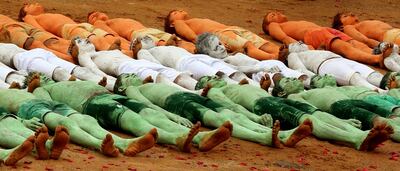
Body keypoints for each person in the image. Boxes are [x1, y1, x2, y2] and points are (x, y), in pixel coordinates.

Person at [29, 73, 231, 152]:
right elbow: (47, 104)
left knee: (153, 115)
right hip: (92, 103)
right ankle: (174, 138)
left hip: (109, 96)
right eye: (35, 77)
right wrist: (36, 86)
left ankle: (200, 138)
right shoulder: (42, 89)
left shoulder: (70, 80)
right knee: (132, 118)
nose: (42, 77)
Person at [116, 73, 307, 148]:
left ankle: (279, 134)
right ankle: (262, 137)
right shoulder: (134, 90)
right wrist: (172, 116)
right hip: (176, 102)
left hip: (190, 96)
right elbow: (149, 106)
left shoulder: (149, 84)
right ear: (123, 88)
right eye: (127, 77)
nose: (133, 76)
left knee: (232, 114)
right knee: (217, 118)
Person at [0, 84, 157, 157]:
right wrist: (22, 120)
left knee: (86, 120)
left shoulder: (30, 88)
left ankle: (122, 142)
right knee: (65, 124)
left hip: (50, 103)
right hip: (27, 107)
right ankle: (99, 145)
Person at [271, 76, 398, 143]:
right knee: (380, 121)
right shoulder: (296, 96)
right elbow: (313, 110)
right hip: (340, 106)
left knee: (392, 116)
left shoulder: (318, 89)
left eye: (292, 78)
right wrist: (341, 121)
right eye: (288, 81)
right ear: (282, 93)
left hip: (354, 101)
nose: (293, 79)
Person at [262, 11, 397, 68]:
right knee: (344, 46)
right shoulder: (274, 26)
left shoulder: (289, 23)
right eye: (272, 15)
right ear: (268, 25)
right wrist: (304, 49)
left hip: (323, 30)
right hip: (314, 34)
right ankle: (376, 59)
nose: (277, 13)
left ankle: (374, 53)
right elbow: (285, 38)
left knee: (354, 42)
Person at [72, 37, 198, 90]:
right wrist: (110, 81)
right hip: (127, 68)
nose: (86, 39)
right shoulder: (86, 55)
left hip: (138, 63)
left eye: (84, 38)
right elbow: (92, 69)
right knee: (160, 79)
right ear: (75, 50)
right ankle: (192, 94)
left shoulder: (107, 52)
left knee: (179, 76)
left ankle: (198, 88)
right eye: (80, 41)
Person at [134, 35, 258, 86]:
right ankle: (240, 87)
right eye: (139, 41)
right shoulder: (144, 52)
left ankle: (261, 88)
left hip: (195, 58)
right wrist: (176, 73)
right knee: (221, 76)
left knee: (235, 73)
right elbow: (155, 66)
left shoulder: (162, 48)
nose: (144, 38)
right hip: (184, 63)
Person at [195, 32, 307, 86]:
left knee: (300, 76)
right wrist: (261, 68)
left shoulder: (232, 55)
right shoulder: (222, 62)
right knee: (286, 81)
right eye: (215, 48)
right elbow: (239, 69)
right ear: (208, 55)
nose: (221, 48)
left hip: (269, 65)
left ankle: (310, 81)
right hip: (261, 72)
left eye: (220, 43)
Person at [165, 10, 280, 60]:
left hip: (231, 29)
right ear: (172, 24)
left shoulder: (192, 20)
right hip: (220, 34)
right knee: (249, 45)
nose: (179, 11)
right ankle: (272, 58)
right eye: (175, 13)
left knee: (264, 44)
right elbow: (191, 36)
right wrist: (214, 42)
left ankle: (279, 53)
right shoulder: (179, 24)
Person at [18, 3, 131, 54]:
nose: (34, 3)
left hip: (81, 26)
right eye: (28, 6)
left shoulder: (48, 15)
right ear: (24, 15)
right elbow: (41, 32)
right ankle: (123, 53)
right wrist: (62, 41)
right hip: (68, 29)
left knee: (108, 37)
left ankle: (130, 49)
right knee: (97, 40)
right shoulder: (29, 17)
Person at [0, 43, 116, 90]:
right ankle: (87, 88)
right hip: (23, 60)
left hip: (38, 52)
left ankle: (116, 85)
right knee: (61, 74)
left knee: (80, 71)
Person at [285, 41, 390, 90]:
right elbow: (301, 70)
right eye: (293, 45)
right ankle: (380, 92)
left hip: (341, 60)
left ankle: (391, 87)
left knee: (373, 76)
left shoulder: (315, 50)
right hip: (325, 65)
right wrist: (317, 81)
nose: (299, 43)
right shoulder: (293, 55)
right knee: (354, 77)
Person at [87, 11, 196, 53]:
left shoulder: (115, 20)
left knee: (179, 41)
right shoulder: (99, 24)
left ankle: (195, 50)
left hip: (149, 30)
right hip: (137, 33)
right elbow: (112, 35)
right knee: (160, 42)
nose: (97, 15)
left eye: (98, 13)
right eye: (93, 17)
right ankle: (171, 49)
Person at [0, 14, 73, 62]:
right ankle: (69, 61)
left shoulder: (30, 17)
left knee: (52, 42)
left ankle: (75, 57)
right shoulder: (30, 17)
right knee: (33, 44)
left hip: (23, 26)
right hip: (8, 29)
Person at [332, 12, 400, 47]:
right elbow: (365, 41)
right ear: (341, 27)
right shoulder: (348, 27)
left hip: (395, 34)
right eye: (345, 16)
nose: (351, 14)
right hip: (392, 37)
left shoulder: (362, 24)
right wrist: (383, 46)